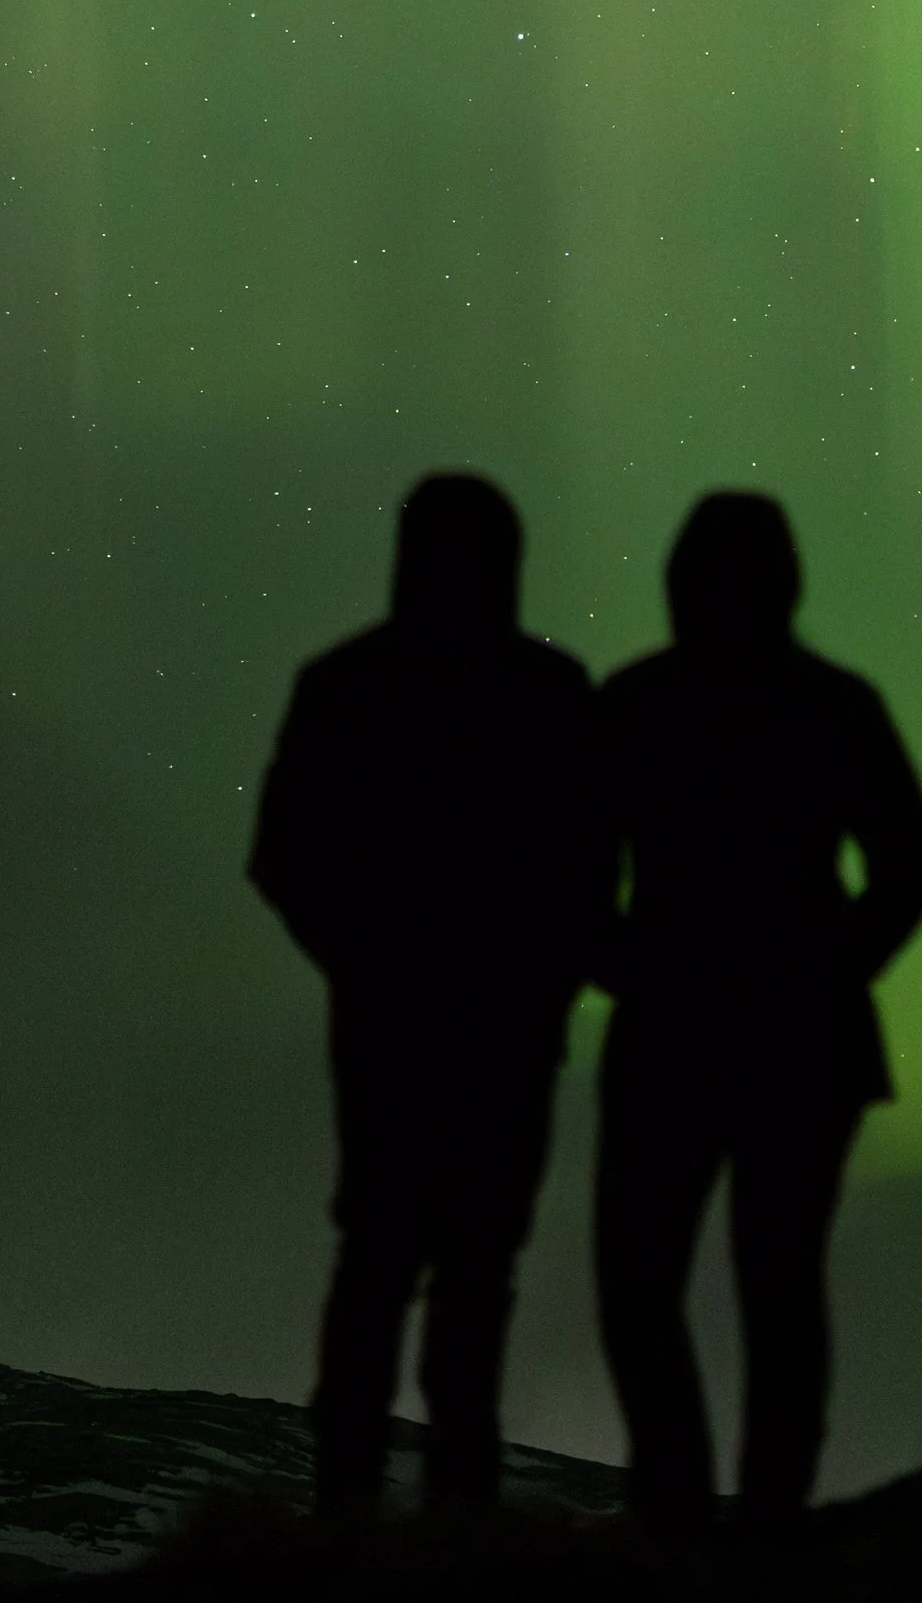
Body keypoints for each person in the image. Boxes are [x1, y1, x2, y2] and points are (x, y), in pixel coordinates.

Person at [249, 473, 610, 1515]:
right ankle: (451, 1533)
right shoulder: (552, 690)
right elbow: (593, 867)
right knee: (466, 1282)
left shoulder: (346, 682)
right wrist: (541, 974)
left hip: (393, 1029)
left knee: (380, 1266)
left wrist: (363, 958)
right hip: (498, 1030)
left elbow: (282, 856)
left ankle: (351, 1525)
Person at [593, 491, 922, 1535]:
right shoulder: (832, 701)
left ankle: (687, 1506)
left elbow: (565, 870)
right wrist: (839, 966)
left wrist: (626, 965)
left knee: (652, 1281)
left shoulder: (638, 700)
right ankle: (760, 1517)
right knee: (775, 1282)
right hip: (799, 1035)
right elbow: (909, 862)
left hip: (682, 1031)